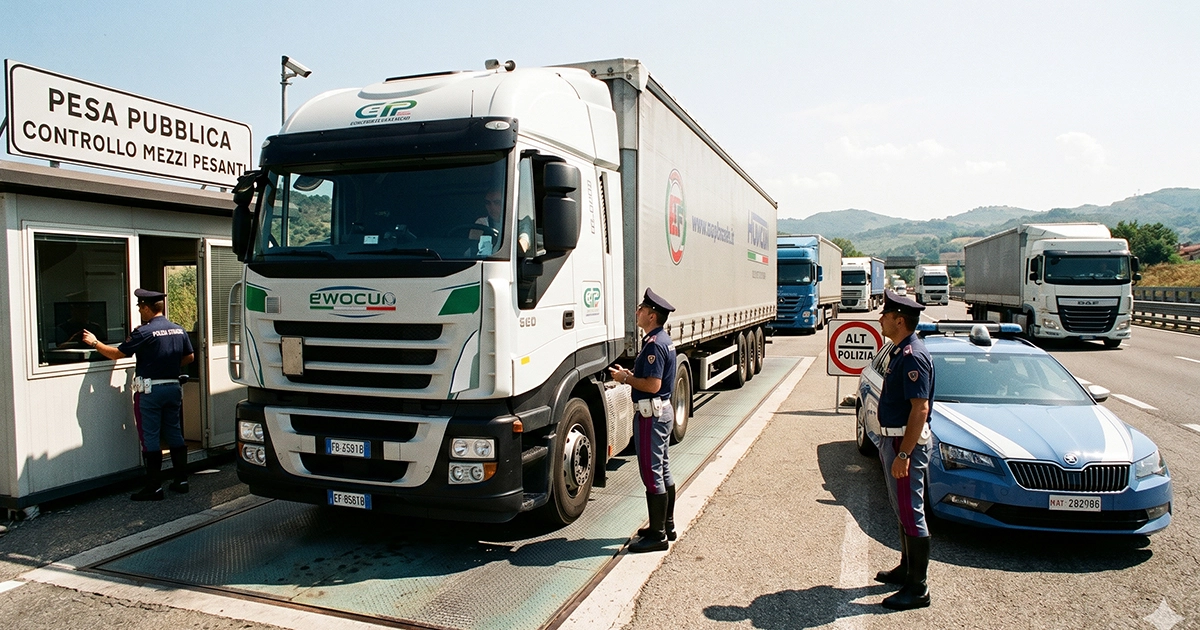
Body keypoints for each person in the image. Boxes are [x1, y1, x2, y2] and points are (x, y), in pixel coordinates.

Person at [83, 288, 195, 501]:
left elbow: (117, 354)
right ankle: (181, 481)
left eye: (140, 307)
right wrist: (168, 365)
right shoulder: (178, 330)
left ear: (146, 307)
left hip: (150, 391)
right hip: (173, 388)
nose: (139, 311)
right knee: (174, 433)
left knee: (150, 436)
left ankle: (154, 487)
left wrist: (95, 343)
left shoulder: (144, 332)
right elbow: (189, 357)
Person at [873, 289, 935, 610]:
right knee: (902, 509)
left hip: (903, 442)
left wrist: (904, 454)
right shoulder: (900, 350)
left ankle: (918, 588)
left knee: (911, 511)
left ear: (899, 320)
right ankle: (906, 568)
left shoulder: (913, 356)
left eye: (885, 314)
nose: (880, 318)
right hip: (894, 439)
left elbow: (919, 409)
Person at [609, 288, 678, 553]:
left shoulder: (653, 345)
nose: (637, 311)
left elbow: (652, 384)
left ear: (652, 315)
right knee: (663, 469)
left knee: (651, 473)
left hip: (652, 414)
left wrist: (625, 379)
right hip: (662, 411)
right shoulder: (662, 339)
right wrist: (629, 373)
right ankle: (666, 525)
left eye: (641, 309)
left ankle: (657, 535)